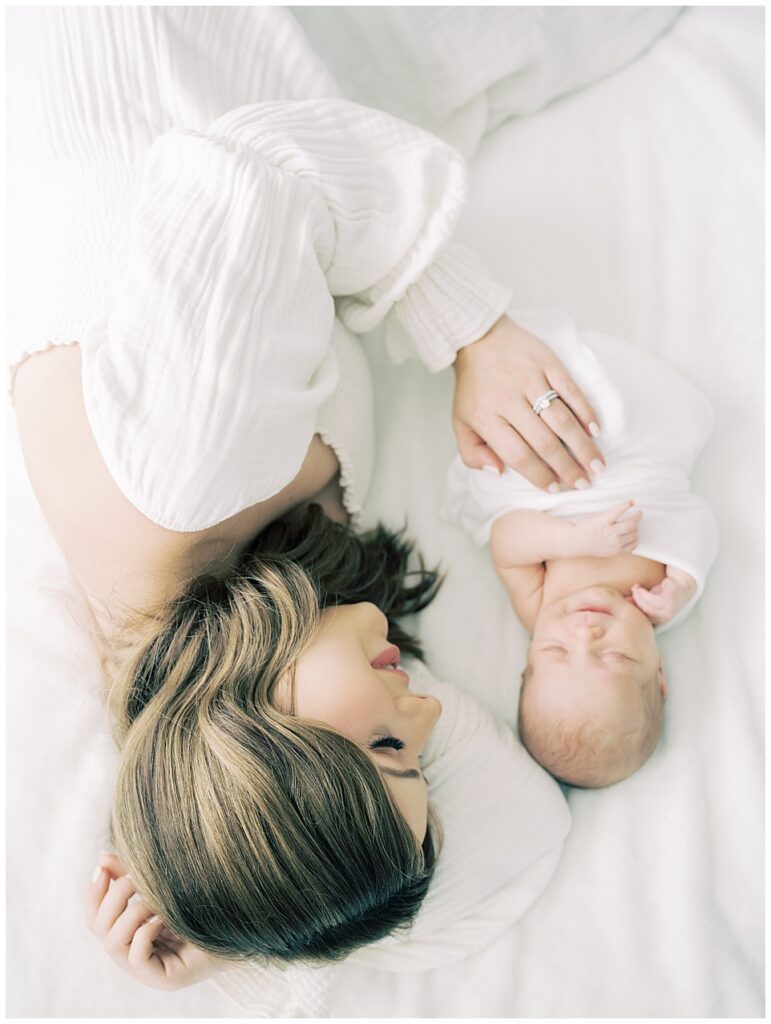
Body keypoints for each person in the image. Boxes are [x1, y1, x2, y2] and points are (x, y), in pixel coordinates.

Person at [9, 7, 604, 985]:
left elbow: (255, 164)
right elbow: (521, 835)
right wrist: (241, 923)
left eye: (383, 743)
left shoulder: (191, 470)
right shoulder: (200, 649)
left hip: (187, 48)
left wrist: (472, 330)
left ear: (258, 738)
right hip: (292, 93)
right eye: (412, 758)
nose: (426, 717)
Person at [443, 310, 719, 788]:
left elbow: (508, 541)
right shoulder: (657, 603)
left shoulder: (537, 608)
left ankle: (544, 371)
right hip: (640, 464)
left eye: (554, 651)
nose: (585, 635)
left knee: (507, 458)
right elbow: (697, 522)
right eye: (613, 657)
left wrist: (573, 540)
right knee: (662, 419)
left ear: (527, 661)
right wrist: (683, 582)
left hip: (545, 490)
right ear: (658, 673)